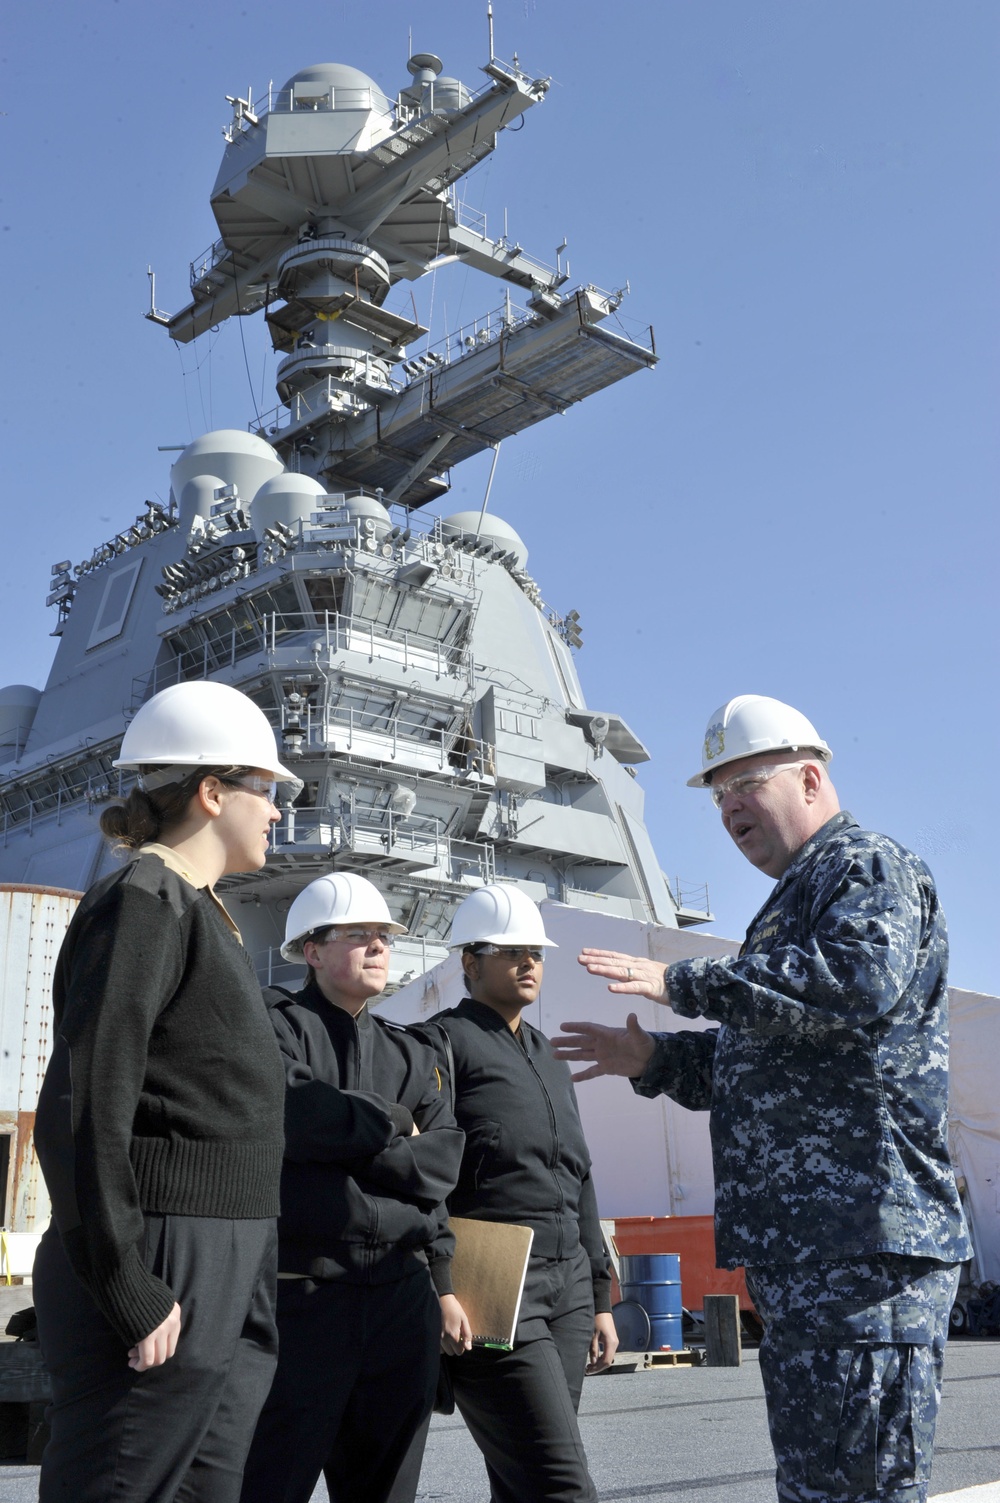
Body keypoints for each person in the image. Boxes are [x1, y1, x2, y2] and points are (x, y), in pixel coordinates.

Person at [555, 694, 972, 1503]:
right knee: (821, 1486)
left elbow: (854, 984)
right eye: (718, 795)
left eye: (746, 781)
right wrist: (655, 1057)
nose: (729, 807)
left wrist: (685, 982)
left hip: (865, 1249)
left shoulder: (865, 867)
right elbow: (765, 1058)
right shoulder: (787, 904)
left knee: (869, 1484)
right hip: (811, 1254)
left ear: (811, 778)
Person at [32, 679, 303, 1502]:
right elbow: (83, 1100)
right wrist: (123, 1276)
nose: (279, 809)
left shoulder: (199, 909)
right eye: (267, 788)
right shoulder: (146, 899)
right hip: (165, 1245)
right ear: (212, 791)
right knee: (121, 1480)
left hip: (230, 1245)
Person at [239, 872, 465, 1503]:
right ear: (311, 950)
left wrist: (346, 1140)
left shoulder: (416, 1052)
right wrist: (394, 1127)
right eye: (358, 935)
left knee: (387, 1491)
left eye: (384, 936)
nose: (377, 946)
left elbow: (443, 1165)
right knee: (268, 1484)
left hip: (401, 1300)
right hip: (301, 1298)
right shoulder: (272, 1023)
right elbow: (294, 1120)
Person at [411, 884, 618, 1503]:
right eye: (510, 951)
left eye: (536, 951)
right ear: (469, 963)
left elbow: (578, 1175)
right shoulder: (439, 1044)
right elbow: (423, 1179)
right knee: (560, 1483)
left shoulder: (548, 1056)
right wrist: (440, 1284)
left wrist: (600, 1297)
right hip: (493, 1285)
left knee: (523, 1481)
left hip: (569, 1289)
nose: (529, 963)